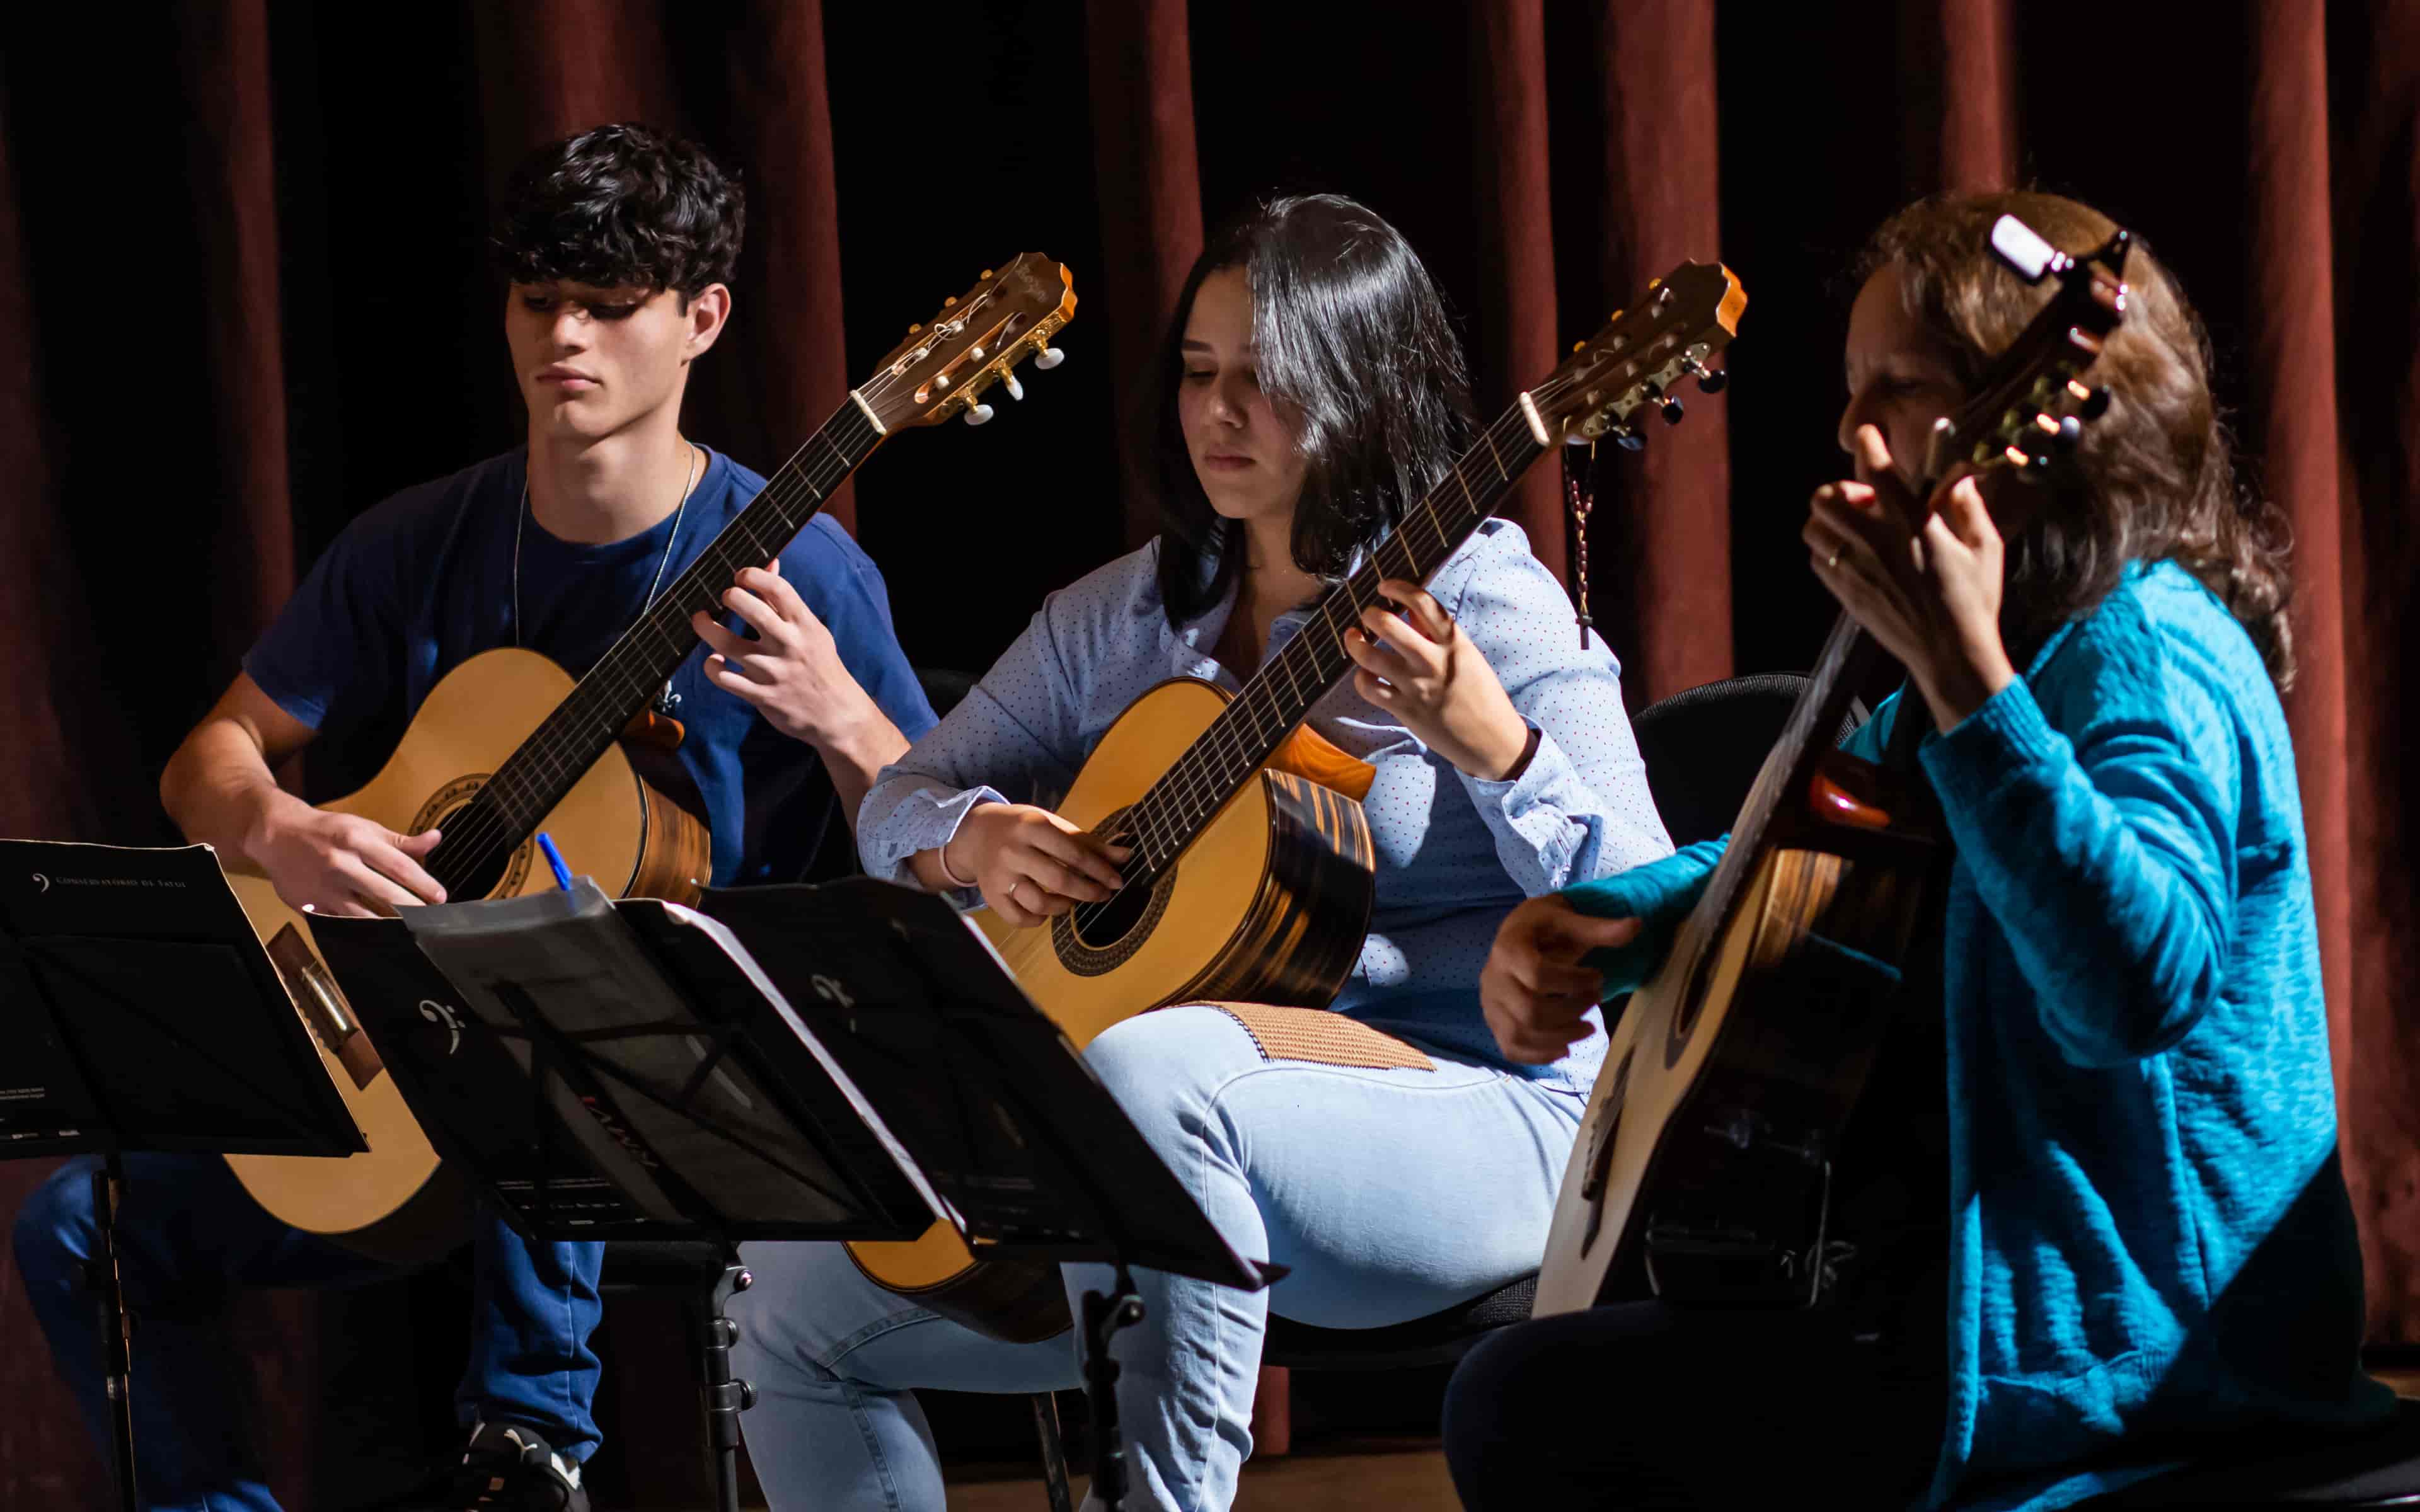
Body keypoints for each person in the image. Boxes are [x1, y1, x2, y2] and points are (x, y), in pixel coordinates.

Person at [9, 123, 935, 1512]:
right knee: (85, 1225)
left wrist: (847, 723)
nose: (563, 334)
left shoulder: (800, 570)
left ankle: (528, 1454)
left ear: (702, 320)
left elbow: (937, 875)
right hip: (409, 1078)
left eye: (609, 306)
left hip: (685, 1088)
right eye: (536, 299)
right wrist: (278, 830)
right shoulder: (425, 541)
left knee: (547, 990)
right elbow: (210, 757)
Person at [721, 192, 1673, 1511]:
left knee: (1155, 1068)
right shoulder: (1119, 615)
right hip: (1164, 1152)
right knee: (784, 1284)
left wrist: (1494, 746)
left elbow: (1651, 902)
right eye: (1198, 372)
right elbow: (904, 802)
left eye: (1266, 381)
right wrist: (972, 839)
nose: (1219, 415)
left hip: (1487, 1119)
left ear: (1363, 390)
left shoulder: (1485, 598)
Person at [1444, 189, 2389, 1511]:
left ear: (2046, 411)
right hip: (1989, 1320)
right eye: (1848, 387)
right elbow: (1790, 857)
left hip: (2148, 1352)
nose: (1847, 428)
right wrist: (1609, 925)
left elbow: (2134, 991)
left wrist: (1967, 679)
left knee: (1527, 1405)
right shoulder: (2022, 649)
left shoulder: (2152, 649)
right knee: (1538, 1377)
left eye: (1895, 385)